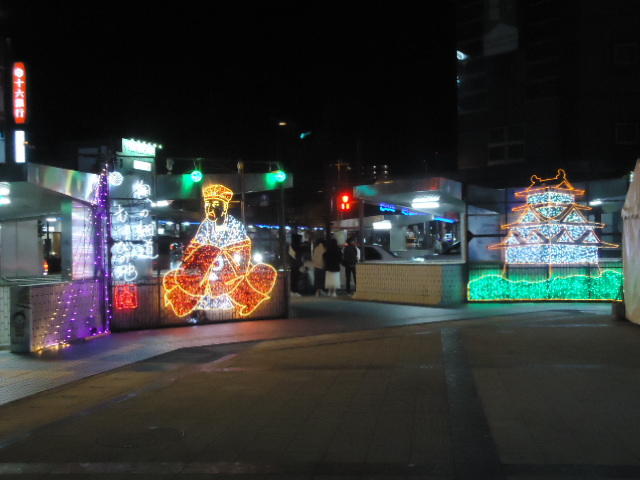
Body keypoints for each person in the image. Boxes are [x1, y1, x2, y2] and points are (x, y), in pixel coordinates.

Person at [163, 184, 277, 317]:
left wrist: (219, 254)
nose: (210, 208)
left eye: (215, 204)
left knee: (257, 276)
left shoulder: (235, 226)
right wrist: (200, 256)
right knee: (176, 278)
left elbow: (243, 249)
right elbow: (194, 246)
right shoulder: (206, 225)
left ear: (224, 207)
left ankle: (235, 297)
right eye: (208, 204)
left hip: (229, 270)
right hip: (206, 270)